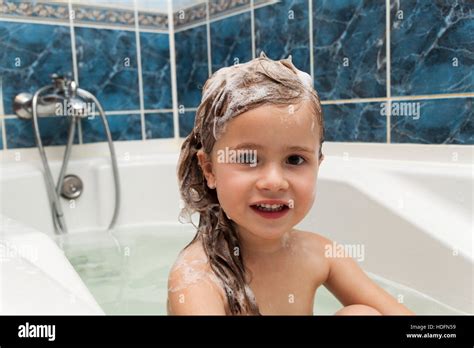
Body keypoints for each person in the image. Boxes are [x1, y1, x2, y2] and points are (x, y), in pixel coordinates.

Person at [167, 52, 413, 315]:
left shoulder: (320, 253)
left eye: (295, 159)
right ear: (209, 169)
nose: (274, 182)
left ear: (318, 164)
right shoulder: (196, 277)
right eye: (248, 158)